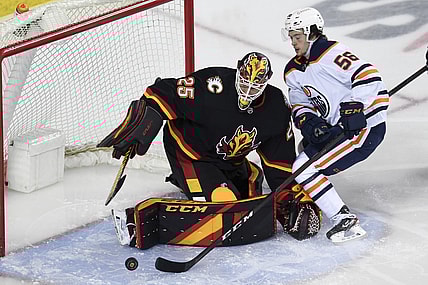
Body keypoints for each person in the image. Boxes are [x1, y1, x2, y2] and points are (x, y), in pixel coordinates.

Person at [98, 51, 322, 248]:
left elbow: (279, 163)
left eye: (255, 87)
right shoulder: (213, 86)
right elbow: (163, 92)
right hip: (191, 154)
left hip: (230, 160)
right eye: (244, 83)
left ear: (266, 83)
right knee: (223, 202)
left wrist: (290, 200)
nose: (247, 91)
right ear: (237, 72)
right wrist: (146, 121)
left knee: (250, 196)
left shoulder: (275, 108)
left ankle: (234, 177)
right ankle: (137, 220)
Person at [281, 7, 389, 243]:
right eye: (290, 37)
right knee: (305, 149)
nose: (293, 42)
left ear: (311, 33)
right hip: (337, 129)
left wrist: (354, 106)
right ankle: (321, 200)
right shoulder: (292, 71)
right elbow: (300, 104)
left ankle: (344, 221)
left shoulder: (331, 53)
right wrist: (309, 122)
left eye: (297, 36)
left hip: (362, 128)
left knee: (304, 167)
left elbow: (369, 76)